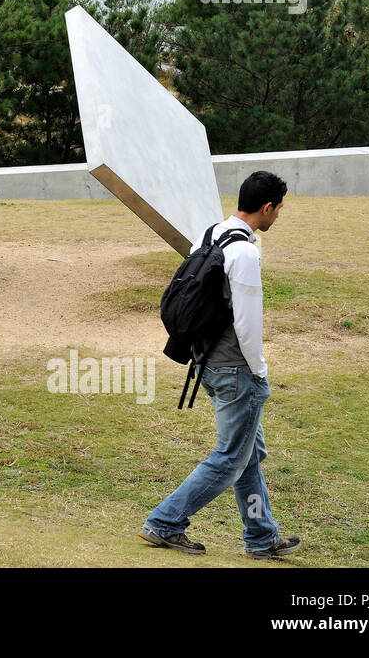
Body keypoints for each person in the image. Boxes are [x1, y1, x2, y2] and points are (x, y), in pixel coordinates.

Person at [140, 170, 302, 560]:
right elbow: (247, 323)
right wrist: (259, 372)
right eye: (278, 209)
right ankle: (165, 522)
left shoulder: (211, 234)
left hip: (205, 361)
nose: (278, 216)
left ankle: (262, 537)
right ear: (267, 208)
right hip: (235, 370)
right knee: (231, 456)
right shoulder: (245, 253)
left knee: (245, 455)